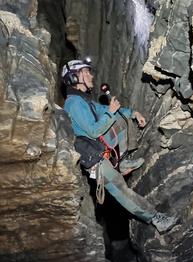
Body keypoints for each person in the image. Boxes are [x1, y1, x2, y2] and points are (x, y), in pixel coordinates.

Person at [61, 58, 178, 234]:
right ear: (74, 77)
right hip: (94, 159)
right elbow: (93, 131)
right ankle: (155, 218)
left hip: (99, 148)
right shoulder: (73, 103)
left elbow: (105, 111)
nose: (91, 75)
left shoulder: (85, 100)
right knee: (120, 189)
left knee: (120, 119)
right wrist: (110, 112)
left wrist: (133, 113)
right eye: (86, 72)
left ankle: (121, 161)